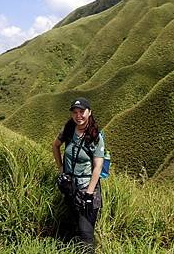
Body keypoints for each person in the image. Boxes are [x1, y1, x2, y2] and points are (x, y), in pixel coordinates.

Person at [52, 97, 105, 253]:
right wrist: (61, 168)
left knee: (86, 232)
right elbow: (55, 146)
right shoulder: (68, 129)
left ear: (89, 112)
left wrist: (89, 194)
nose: (78, 116)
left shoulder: (95, 136)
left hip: (87, 188)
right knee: (75, 224)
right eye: (75, 112)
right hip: (70, 187)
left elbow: (98, 167)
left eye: (82, 112)